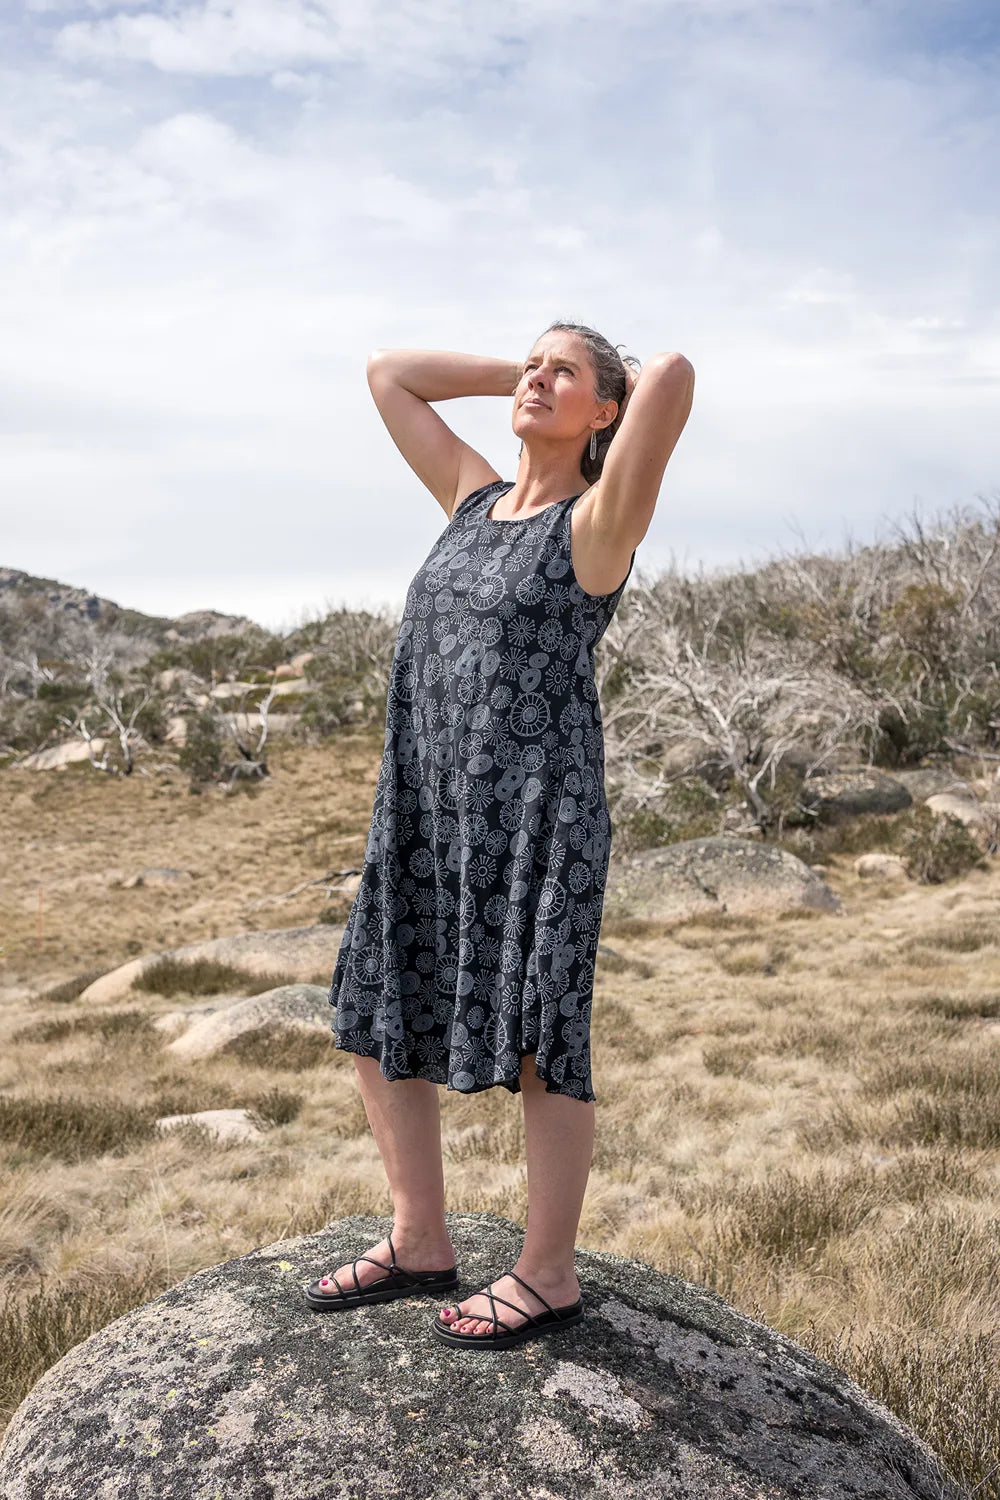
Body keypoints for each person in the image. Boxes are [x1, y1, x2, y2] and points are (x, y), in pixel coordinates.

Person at [305, 322, 694, 1348]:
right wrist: (524, 377)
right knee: (376, 1005)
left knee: (540, 1037)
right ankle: (418, 1236)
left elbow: (674, 378)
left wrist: (599, 381)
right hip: (427, 804)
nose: (534, 376)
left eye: (563, 372)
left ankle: (547, 1272)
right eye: (531, 361)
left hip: (537, 817)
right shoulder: (471, 500)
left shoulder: (598, 524)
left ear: (605, 409)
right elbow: (388, 373)